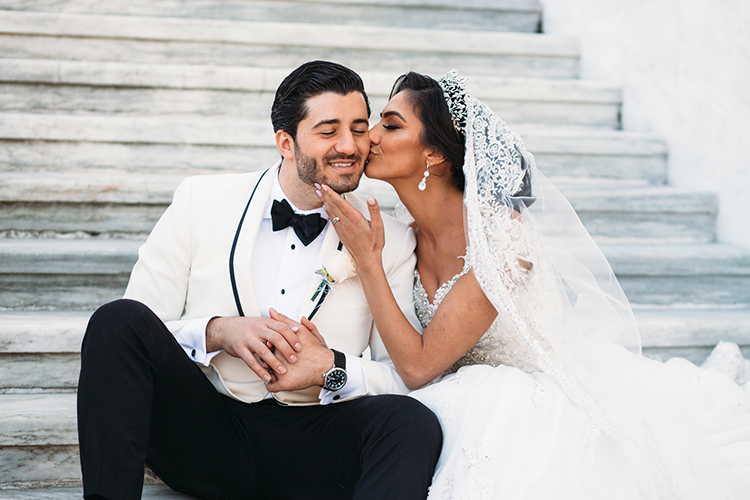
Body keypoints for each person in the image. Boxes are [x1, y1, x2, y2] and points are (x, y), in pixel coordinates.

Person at [317, 70, 750, 499]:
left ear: (434, 154)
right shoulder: (403, 238)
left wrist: (367, 261)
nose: (368, 136)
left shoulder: (504, 240)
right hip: (455, 391)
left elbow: (418, 368)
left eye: (389, 125)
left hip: (526, 397)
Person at [76, 61, 442, 500]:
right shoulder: (201, 200)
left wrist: (331, 367)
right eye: (328, 131)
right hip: (205, 433)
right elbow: (140, 332)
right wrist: (218, 331)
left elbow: (400, 374)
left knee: (411, 423)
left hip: (314, 444)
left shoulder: (393, 239)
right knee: (117, 320)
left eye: (360, 128)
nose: (349, 145)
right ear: (286, 142)